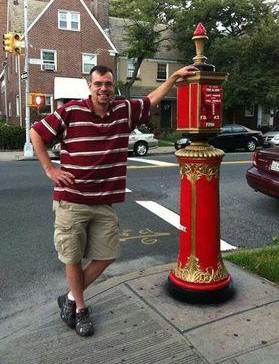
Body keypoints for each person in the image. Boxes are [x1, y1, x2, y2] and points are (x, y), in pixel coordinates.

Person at [30, 64, 197, 337]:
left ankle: (70, 298)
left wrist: (174, 78)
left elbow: (151, 99)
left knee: (108, 254)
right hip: (71, 199)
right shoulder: (71, 111)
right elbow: (37, 132)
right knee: (72, 256)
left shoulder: (123, 112)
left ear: (112, 87)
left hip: (103, 201)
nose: (103, 89)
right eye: (98, 84)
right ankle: (82, 308)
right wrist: (50, 169)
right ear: (90, 86)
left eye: (108, 84)